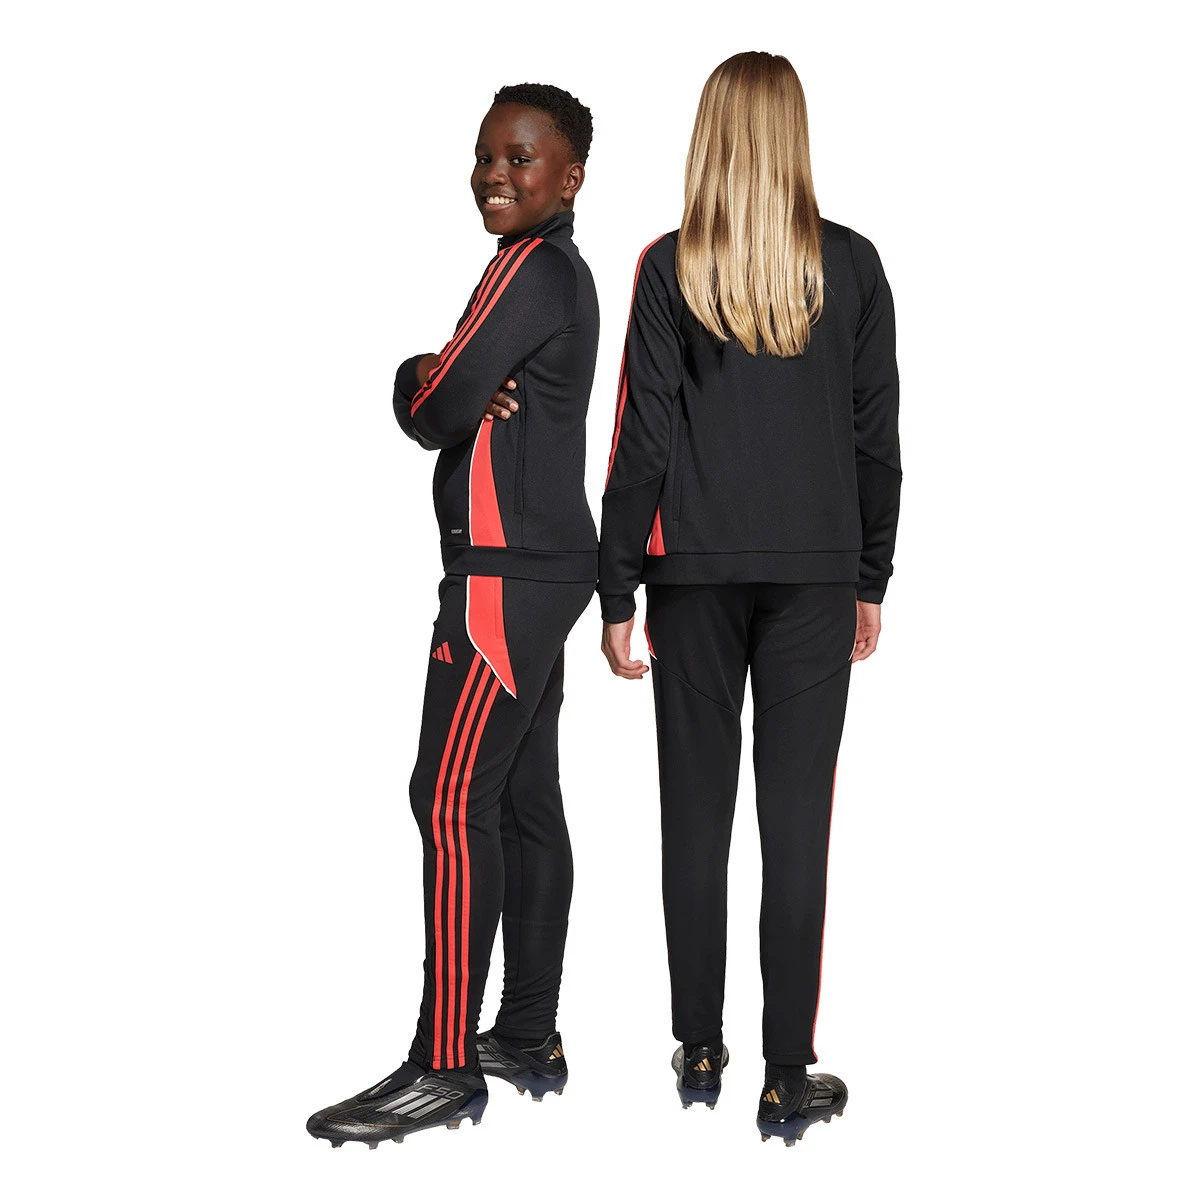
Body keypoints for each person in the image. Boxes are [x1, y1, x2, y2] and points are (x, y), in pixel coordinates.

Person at [598, 51, 901, 1147]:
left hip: (692, 578)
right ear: (794, 135)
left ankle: (699, 1048)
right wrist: (870, 576)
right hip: (817, 576)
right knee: (796, 827)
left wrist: (616, 589)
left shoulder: (668, 266)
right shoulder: (853, 266)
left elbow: (640, 441)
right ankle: (784, 1076)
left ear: (711, 135)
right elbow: (876, 441)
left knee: (694, 816)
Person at [307, 83, 599, 1148]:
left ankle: (443, 1065)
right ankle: (525, 1035)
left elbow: (436, 412)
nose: (494, 175)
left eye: (521, 159)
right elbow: (452, 395)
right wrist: (442, 378)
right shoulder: (556, 273)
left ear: (571, 177)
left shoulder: (527, 270)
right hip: (542, 569)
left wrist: (422, 376)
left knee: (448, 797)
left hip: (501, 579)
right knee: (519, 797)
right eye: (485, 156)